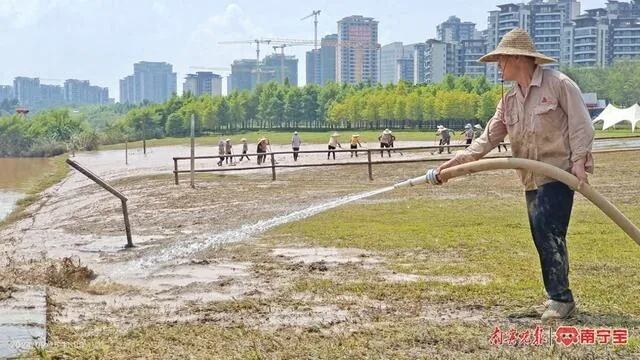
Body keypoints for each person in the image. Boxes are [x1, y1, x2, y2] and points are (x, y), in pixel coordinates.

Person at [434, 28, 594, 321]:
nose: (498, 66)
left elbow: (582, 124)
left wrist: (580, 161)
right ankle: (555, 296)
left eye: (501, 59)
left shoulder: (558, 84)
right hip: (530, 177)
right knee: (541, 235)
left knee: (548, 230)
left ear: (519, 58)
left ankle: (561, 300)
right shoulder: (508, 100)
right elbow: (486, 139)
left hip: (558, 173)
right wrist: (452, 165)